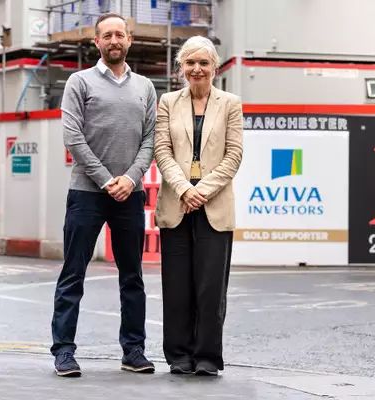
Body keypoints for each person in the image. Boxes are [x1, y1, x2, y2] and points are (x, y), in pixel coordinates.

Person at [50, 12, 156, 377]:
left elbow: (150, 139)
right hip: (87, 194)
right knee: (73, 274)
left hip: (131, 194)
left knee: (133, 277)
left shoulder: (145, 86)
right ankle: (64, 352)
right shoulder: (79, 82)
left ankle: (134, 351)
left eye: (119, 35)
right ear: (97, 42)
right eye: (106, 35)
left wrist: (130, 178)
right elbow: (73, 137)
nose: (114, 40)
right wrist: (108, 180)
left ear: (129, 40)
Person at [153, 35, 243, 376]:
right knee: (176, 287)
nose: (197, 69)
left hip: (213, 204)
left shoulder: (231, 103)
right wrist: (183, 189)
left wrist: (200, 191)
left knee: (210, 288)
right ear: (181, 67)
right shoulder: (167, 102)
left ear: (214, 67)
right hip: (176, 203)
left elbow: (234, 155)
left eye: (203, 63)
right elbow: (162, 150)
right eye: (190, 63)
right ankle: (178, 355)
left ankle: (207, 357)